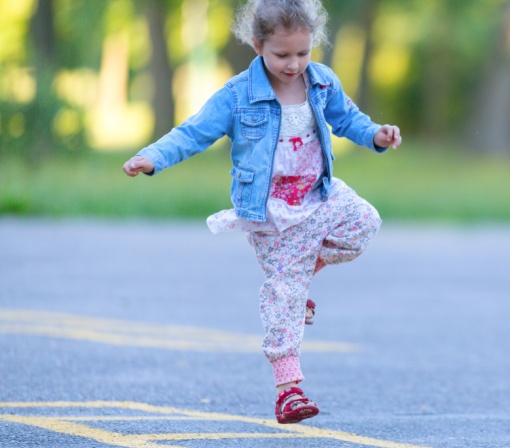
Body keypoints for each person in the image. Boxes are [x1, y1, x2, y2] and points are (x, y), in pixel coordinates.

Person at [122, 0, 401, 424]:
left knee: (365, 223)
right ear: (257, 46)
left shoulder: (321, 82)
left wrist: (376, 135)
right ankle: (289, 391)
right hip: (271, 212)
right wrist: (152, 158)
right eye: (282, 55)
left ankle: (300, 276)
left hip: (319, 195)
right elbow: (193, 132)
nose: (294, 64)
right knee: (284, 295)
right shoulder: (237, 95)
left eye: (303, 53)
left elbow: (348, 120)